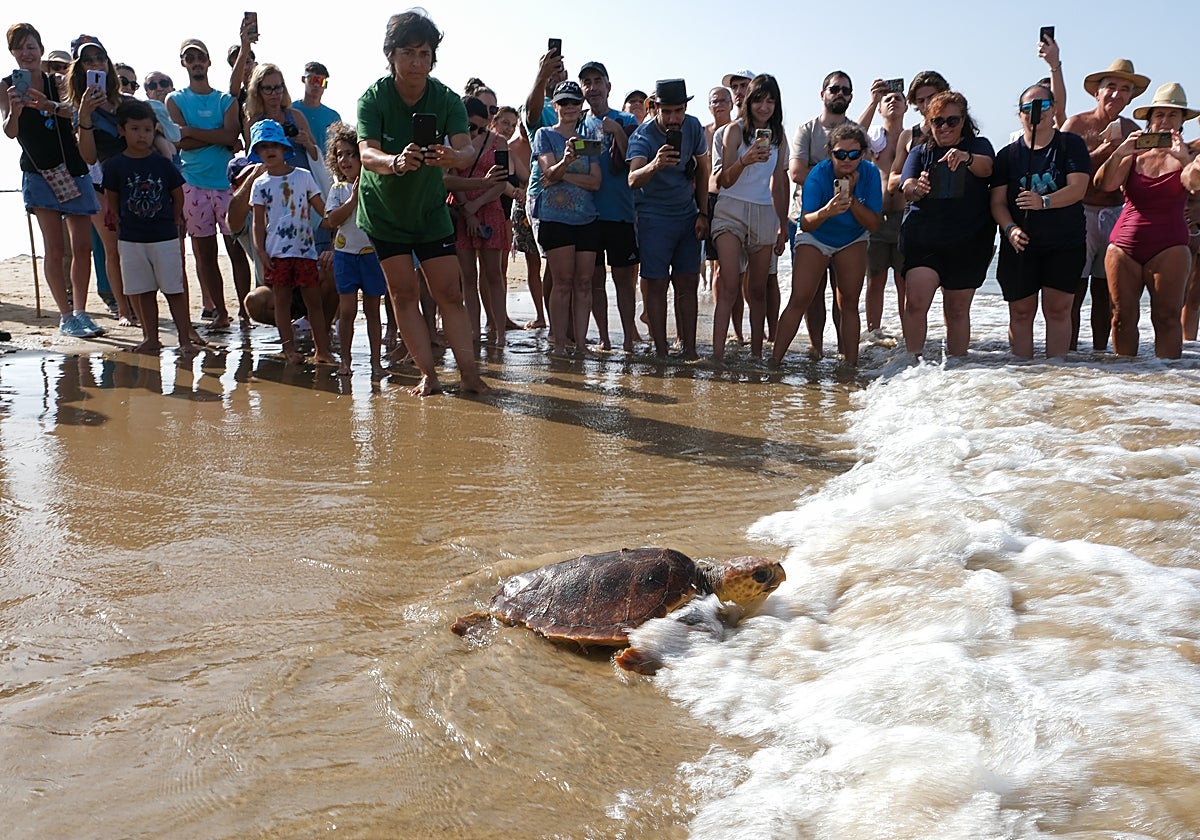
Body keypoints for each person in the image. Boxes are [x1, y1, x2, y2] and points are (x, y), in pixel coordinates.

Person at [356, 9, 489, 395]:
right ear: (391, 55)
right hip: (384, 212)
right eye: (409, 52)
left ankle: (470, 375)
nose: (417, 61)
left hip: (430, 210)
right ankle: (428, 375)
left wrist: (453, 157)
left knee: (450, 292)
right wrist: (396, 163)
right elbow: (366, 154)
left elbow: (466, 151)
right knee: (403, 293)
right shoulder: (373, 99)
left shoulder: (446, 98)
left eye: (425, 53)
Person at [2, 22, 103, 338]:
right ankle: (65, 315)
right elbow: (9, 131)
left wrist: (48, 105)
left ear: (41, 50)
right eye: (19, 47)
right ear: (12, 53)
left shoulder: (57, 81)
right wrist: (15, 110)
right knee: (54, 249)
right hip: (38, 170)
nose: (26, 52)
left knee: (83, 246)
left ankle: (81, 311)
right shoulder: (5, 85)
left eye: (31, 46)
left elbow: (76, 114)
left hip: (73, 167)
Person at [1094, 83, 1197, 359]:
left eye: (1173, 115)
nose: (1165, 121)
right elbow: (1104, 184)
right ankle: (1126, 387)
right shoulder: (1134, 153)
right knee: (1121, 317)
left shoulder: (1191, 154)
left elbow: (1193, 184)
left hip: (1170, 245)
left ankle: (1167, 389)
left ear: (1182, 121)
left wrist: (1184, 160)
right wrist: (1120, 152)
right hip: (1123, 246)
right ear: (1149, 119)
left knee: (1166, 318)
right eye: (1159, 114)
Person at [990, 84, 1091, 359]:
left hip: (1064, 242)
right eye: (1028, 108)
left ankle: (1054, 375)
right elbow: (997, 202)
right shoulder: (1008, 155)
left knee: (1058, 309)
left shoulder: (1070, 145)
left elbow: (1078, 188)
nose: (1036, 113)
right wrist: (1010, 229)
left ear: (1054, 110)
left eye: (1043, 106)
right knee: (1021, 312)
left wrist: (1043, 202)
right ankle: (1025, 377)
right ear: (1020, 114)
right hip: (1020, 244)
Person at [772, 123, 881, 367]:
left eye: (853, 154)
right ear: (830, 153)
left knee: (849, 303)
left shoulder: (870, 174)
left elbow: (874, 224)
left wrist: (851, 201)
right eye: (840, 154)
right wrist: (827, 211)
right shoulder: (819, 175)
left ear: (862, 154)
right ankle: (774, 362)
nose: (847, 160)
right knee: (800, 298)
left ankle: (850, 367)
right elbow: (807, 223)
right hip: (816, 235)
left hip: (852, 237)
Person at [1061, 59, 1150, 352]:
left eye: (1124, 89)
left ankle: (1100, 356)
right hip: (1079, 212)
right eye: (1111, 87)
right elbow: (1059, 170)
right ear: (1096, 93)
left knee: (1106, 292)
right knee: (1073, 291)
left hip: (1115, 214)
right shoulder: (1076, 124)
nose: (1116, 94)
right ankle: (1069, 355)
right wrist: (1102, 151)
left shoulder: (1133, 129)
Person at [898, 90, 995, 359]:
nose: (945, 127)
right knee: (915, 302)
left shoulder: (979, 146)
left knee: (956, 310)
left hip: (968, 240)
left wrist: (967, 158)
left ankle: (957, 372)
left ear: (964, 121)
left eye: (952, 120)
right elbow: (905, 184)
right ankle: (911, 364)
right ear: (929, 122)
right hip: (924, 238)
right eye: (938, 121)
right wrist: (915, 187)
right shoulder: (920, 151)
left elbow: (988, 168)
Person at [101, 99, 194, 355]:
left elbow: (178, 195)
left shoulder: (162, 163)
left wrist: (175, 220)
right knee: (143, 291)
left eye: (147, 130)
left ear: (155, 131)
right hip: (131, 238)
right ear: (122, 130)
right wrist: (116, 221)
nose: (142, 135)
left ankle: (185, 339)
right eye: (135, 129)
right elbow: (112, 198)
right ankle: (151, 337)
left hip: (164, 237)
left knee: (174, 289)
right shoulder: (114, 165)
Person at [627, 78, 710, 359]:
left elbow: (703, 169)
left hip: (687, 215)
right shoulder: (643, 136)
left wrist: (703, 213)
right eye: (668, 112)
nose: (674, 118)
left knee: (688, 283)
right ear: (656, 108)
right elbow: (632, 179)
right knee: (658, 284)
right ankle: (661, 351)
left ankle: (689, 349)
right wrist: (656, 163)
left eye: (679, 111)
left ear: (685, 108)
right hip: (653, 217)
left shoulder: (694, 126)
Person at [710, 74, 790, 361]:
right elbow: (723, 182)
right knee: (730, 284)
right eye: (759, 100)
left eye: (771, 101)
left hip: (763, 211)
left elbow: (780, 185)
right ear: (749, 101)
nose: (764, 107)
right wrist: (745, 159)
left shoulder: (779, 136)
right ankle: (717, 357)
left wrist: (783, 225)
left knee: (758, 290)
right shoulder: (733, 131)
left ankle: (757, 356)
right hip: (730, 208)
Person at [166, 38, 244, 331]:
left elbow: (231, 136)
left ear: (209, 62)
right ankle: (221, 312)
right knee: (205, 255)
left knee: (236, 251)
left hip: (225, 184)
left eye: (201, 57)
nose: (196, 62)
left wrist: (194, 134)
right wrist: (219, 136)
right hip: (193, 186)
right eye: (190, 58)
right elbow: (179, 141)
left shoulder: (226, 100)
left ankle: (246, 312)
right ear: (183, 63)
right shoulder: (174, 100)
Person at [789, 71, 863, 358]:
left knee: (844, 296)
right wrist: (834, 183)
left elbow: (861, 174)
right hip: (806, 219)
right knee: (810, 294)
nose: (840, 94)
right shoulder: (806, 130)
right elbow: (796, 173)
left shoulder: (856, 132)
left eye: (845, 90)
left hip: (846, 222)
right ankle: (816, 347)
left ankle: (845, 353)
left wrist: (821, 175)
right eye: (834, 89)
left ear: (851, 97)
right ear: (823, 94)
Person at [66, 34, 138, 327]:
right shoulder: (77, 108)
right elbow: (87, 156)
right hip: (97, 184)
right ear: (79, 68)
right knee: (112, 247)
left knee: (135, 246)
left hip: (132, 180)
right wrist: (85, 114)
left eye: (99, 58)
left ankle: (138, 305)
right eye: (88, 60)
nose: (95, 64)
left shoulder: (125, 102)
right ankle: (123, 309)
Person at [249, 119, 333, 365]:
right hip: (277, 254)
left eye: (275, 145)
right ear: (257, 152)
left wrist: (338, 221)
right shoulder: (260, 184)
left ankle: (322, 349)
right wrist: (261, 251)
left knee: (313, 302)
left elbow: (322, 210)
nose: (270, 150)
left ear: (285, 148)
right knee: (282, 304)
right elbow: (257, 222)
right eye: (263, 146)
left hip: (305, 252)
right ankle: (289, 350)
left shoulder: (303, 176)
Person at [529, 80, 601, 355]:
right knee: (562, 282)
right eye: (564, 102)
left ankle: (581, 344)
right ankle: (559, 343)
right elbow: (548, 173)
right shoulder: (544, 135)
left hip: (587, 218)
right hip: (555, 218)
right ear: (555, 105)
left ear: (581, 106)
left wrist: (564, 174)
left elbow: (596, 182)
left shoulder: (589, 138)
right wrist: (566, 163)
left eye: (574, 102)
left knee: (584, 283)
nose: (570, 107)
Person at [579, 60, 641, 351]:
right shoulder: (577, 124)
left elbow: (634, 163)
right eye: (586, 82)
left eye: (597, 81)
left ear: (608, 86)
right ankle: (604, 338)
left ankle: (628, 339)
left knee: (624, 282)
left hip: (621, 213)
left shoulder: (628, 121)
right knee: (594, 281)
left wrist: (617, 131)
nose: (592, 88)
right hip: (587, 215)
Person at [445, 95, 511, 345]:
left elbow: (501, 181)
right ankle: (473, 332)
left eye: (479, 126)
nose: (474, 131)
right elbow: (450, 175)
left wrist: (476, 205)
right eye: (470, 126)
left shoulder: (499, 142)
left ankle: (499, 332)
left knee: (494, 274)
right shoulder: (454, 142)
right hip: (462, 210)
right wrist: (467, 209)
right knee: (468, 277)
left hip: (489, 208)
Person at [320, 122, 385, 378]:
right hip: (345, 255)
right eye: (339, 154)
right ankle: (345, 361)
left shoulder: (375, 184)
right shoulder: (338, 190)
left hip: (371, 255)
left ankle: (376, 363)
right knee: (346, 311)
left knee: (372, 311)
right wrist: (352, 200)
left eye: (350, 153)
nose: (345, 159)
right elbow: (331, 221)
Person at [863, 89, 906, 334]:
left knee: (904, 281)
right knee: (875, 280)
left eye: (898, 98)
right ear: (879, 109)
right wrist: (871, 100)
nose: (892, 101)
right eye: (886, 99)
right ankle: (873, 334)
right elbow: (851, 135)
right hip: (875, 218)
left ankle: (907, 333)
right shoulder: (872, 139)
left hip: (904, 217)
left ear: (906, 106)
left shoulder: (914, 136)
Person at [291, 62, 341, 155]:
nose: (316, 85)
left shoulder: (333, 117)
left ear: (325, 85)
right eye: (312, 80)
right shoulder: (290, 110)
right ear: (303, 79)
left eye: (321, 81)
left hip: (323, 167)